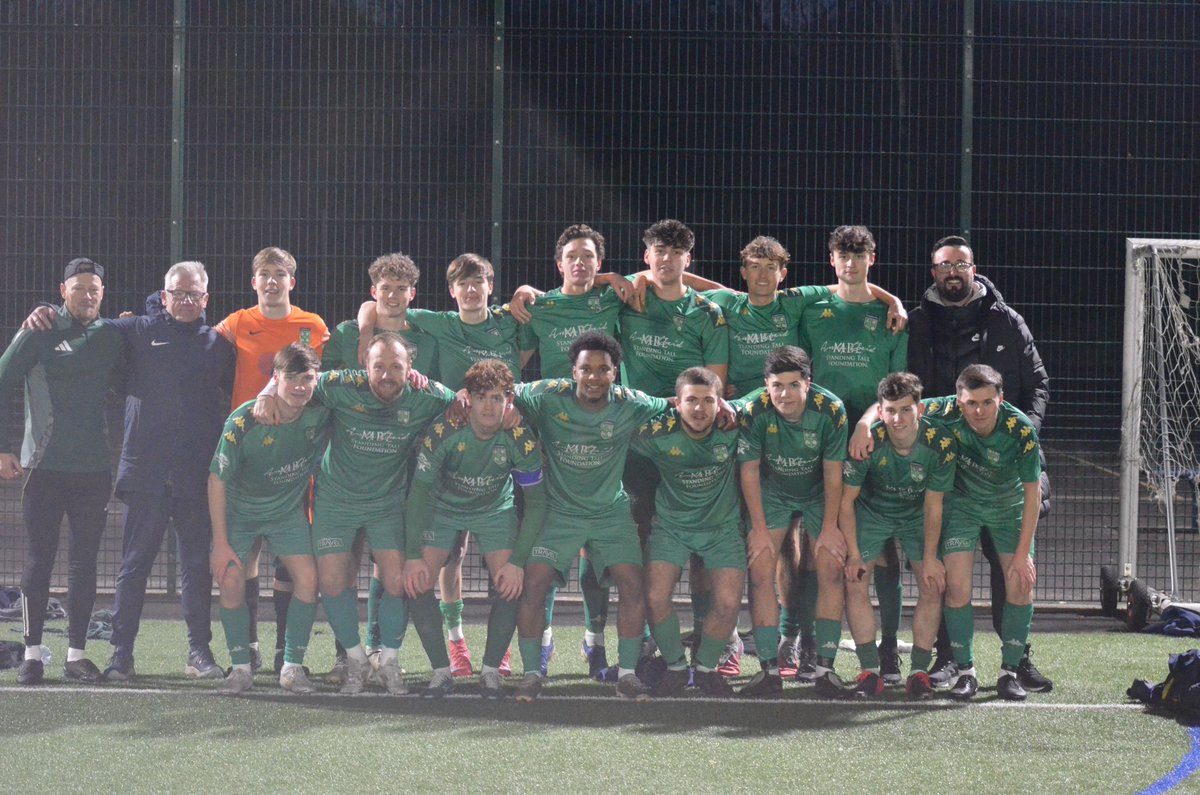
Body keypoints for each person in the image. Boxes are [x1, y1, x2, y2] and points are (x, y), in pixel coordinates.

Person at [357, 253, 535, 679]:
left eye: (479, 282)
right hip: (443, 441)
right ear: (451, 290)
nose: (471, 290)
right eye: (462, 283)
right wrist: (365, 330)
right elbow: (376, 306)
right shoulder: (439, 322)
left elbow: (528, 345)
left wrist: (526, 292)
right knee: (435, 553)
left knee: (497, 556)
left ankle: (503, 650)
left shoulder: (509, 321)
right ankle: (416, 643)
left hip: (495, 439)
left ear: (490, 286)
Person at [269, 332, 455, 695]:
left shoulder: (427, 395)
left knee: (398, 581)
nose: (387, 375)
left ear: (410, 369)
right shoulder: (341, 386)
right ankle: (356, 660)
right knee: (331, 582)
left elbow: (463, 400)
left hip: (387, 503)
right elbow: (296, 379)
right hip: (336, 501)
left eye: (396, 367)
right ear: (364, 367)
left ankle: (389, 662)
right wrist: (266, 395)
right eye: (378, 366)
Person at [904, 234, 1052, 692]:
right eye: (944, 265)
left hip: (1006, 472)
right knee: (952, 576)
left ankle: (1016, 660)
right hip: (950, 472)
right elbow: (907, 397)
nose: (953, 272)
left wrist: (1019, 434)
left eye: (961, 264)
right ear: (934, 272)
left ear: (974, 269)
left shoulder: (1005, 320)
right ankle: (952, 660)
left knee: (1014, 570)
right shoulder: (916, 323)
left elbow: (1039, 383)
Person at [507, 331, 670, 701]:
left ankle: (627, 674)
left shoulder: (631, 402)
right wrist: (473, 397)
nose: (594, 376)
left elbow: (675, 403)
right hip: (558, 512)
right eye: (586, 369)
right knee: (533, 584)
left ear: (615, 372)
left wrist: (725, 407)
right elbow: (501, 389)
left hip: (609, 513)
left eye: (603, 369)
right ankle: (531, 673)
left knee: (633, 584)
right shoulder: (546, 395)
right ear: (574, 371)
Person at [507, 223, 636, 680]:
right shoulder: (539, 307)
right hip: (554, 437)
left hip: (606, 434)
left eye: (588, 257)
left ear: (599, 263)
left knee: (595, 550)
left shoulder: (613, 298)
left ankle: (594, 640)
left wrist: (615, 278)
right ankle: (541, 644)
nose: (580, 264)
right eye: (571, 257)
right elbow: (514, 364)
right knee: (544, 551)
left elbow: (666, 279)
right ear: (558, 264)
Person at [103, 263, 235, 680]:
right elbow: (87, 326)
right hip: (146, 473)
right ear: (163, 296)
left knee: (196, 567)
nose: (185, 301)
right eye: (178, 293)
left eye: (193, 294)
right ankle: (121, 654)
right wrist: (47, 311)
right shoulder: (137, 331)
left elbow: (241, 395)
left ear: (206, 299)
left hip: (196, 476)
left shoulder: (218, 344)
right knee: (134, 566)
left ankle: (199, 652)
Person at [0, 258, 126, 685]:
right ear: (63, 290)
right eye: (78, 288)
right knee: (39, 560)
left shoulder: (112, 335)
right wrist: (3, 448)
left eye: (94, 289)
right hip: (44, 468)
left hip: (94, 470)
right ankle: (32, 654)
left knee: (85, 563)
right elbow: (2, 382)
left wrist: (130, 321)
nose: (87, 295)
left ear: (103, 293)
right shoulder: (39, 329)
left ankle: (76, 655)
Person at [795, 225, 908, 686]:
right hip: (820, 439)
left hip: (873, 440)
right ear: (832, 260)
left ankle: (888, 649)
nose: (851, 263)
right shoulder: (813, 308)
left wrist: (866, 421)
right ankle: (806, 644)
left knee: (882, 546)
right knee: (815, 546)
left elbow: (896, 390)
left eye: (859, 255)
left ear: (871, 260)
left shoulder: (890, 317)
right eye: (843, 255)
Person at [319, 252, 437, 684]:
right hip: (344, 473)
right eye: (385, 288)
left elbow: (439, 396)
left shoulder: (425, 336)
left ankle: (385, 656)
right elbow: (314, 383)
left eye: (400, 289)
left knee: (393, 573)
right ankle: (348, 657)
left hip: (396, 475)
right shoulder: (349, 332)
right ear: (373, 292)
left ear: (412, 294)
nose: (392, 296)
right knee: (339, 573)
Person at [214, 246, 330, 674]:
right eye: (264, 275)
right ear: (254, 282)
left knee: (291, 563)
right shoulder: (237, 323)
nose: (272, 282)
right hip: (247, 455)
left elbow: (322, 376)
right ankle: (248, 648)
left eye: (279, 275)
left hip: (294, 454)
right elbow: (194, 337)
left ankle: (286, 652)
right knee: (244, 560)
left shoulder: (312, 326)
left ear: (291, 282)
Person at [403, 359, 547, 699]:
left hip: (494, 510)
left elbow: (537, 504)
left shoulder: (520, 438)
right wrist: (411, 555)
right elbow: (418, 493)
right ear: (468, 398)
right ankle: (442, 672)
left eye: (497, 398)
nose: (489, 406)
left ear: (509, 401)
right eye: (481, 397)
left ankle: (490, 672)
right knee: (417, 582)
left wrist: (517, 563)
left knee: (510, 586)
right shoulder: (446, 429)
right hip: (442, 508)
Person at [910, 364, 1043, 702]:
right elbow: (898, 407)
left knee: (1021, 583)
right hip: (963, 505)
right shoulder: (943, 410)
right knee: (956, 586)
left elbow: (1033, 493)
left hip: (1009, 507)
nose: (979, 411)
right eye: (971, 403)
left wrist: (1023, 554)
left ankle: (1009, 672)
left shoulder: (1021, 429)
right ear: (959, 401)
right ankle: (965, 672)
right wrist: (864, 427)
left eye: (987, 402)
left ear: (1001, 399)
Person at [736, 345, 847, 697]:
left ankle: (825, 669)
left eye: (793, 385)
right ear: (766, 386)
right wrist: (758, 528)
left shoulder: (831, 410)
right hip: (773, 493)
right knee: (760, 570)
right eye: (777, 386)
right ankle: (769, 670)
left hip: (817, 492)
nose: (785, 394)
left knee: (831, 567)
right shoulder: (754, 411)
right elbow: (749, 471)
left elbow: (833, 473)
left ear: (807, 383)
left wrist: (829, 527)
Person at [838, 372, 956, 700]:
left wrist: (930, 558)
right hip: (873, 512)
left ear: (920, 409)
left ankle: (918, 672)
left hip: (917, 514)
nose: (898, 418)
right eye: (890, 410)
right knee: (854, 581)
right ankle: (869, 672)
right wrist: (854, 555)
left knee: (932, 583)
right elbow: (846, 502)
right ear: (880, 410)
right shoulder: (867, 442)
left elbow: (934, 504)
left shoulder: (939, 443)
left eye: (906, 410)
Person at [633, 368, 746, 698]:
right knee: (655, 597)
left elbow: (764, 398)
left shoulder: (734, 428)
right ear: (677, 403)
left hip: (722, 528)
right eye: (691, 400)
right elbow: (616, 426)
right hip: (672, 527)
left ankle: (707, 669)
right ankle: (676, 668)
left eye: (708, 400)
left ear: (719, 403)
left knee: (728, 602)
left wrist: (734, 407)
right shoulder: (656, 432)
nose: (699, 408)